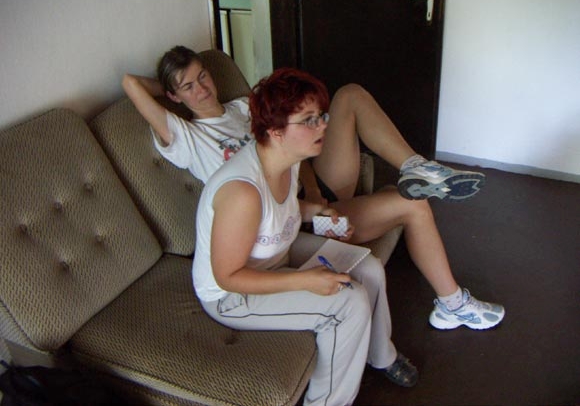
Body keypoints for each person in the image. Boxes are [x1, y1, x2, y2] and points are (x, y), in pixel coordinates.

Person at [123, 46, 505, 331]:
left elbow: (295, 153)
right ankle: (452, 303)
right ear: (173, 96)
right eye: (187, 87)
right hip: (277, 225)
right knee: (414, 206)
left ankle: (416, 166)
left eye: (203, 76)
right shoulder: (187, 137)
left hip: (307, 196)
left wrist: (312, 193)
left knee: (350, 94)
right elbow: (131, 84)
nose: (201, 88)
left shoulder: (242, 107)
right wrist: (172, 83)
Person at [194, 67, 417, 405]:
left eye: (321, 116)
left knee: (369, 267)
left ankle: (380, 355)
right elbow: (228, 276)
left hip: (275, 253)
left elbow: (278, 209)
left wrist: (316, 212)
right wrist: (305, 281)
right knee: (348, 303)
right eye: (309, 120)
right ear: (276, 132)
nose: (323, 125)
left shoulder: (288, 158)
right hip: (231, 295)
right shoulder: (242, 192)